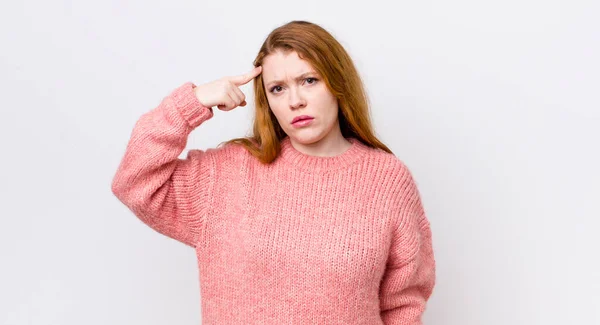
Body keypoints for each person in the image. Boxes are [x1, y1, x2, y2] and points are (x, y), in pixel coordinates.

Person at [111, 20, 436, 324]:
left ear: (338, 84)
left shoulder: (386, 179)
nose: (296, 101)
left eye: (309, 81)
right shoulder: (225, 176)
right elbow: (135, 179)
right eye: (278, 88)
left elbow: (402, 307)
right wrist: (192, 102)